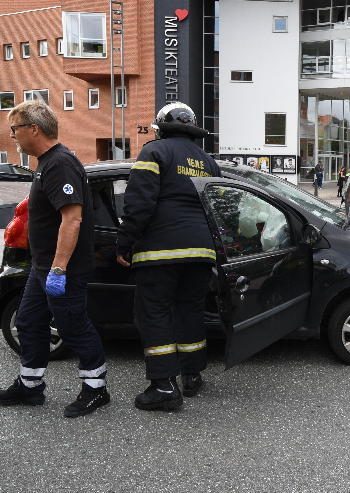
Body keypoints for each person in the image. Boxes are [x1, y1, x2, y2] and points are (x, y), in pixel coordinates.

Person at [0, 101, 110, 417]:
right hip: (43, 265)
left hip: (62, 267)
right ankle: (30, 387)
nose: (13, 136)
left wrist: (59, 268)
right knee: (28, 321)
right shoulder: (47, 163)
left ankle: (96, 388)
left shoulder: (59, 164)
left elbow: (72, 219)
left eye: (15, 129)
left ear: (33, 129)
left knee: (72, 324)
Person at [116, 102, 221, 411]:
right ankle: (191, 376)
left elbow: (139, 204)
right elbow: (219, 208)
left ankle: (163, 386)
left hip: (160, 251)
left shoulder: (154, 152)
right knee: (190, 311)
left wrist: (124, 243)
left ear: (161, 128)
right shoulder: (208, 163)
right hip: (201, 251)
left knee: (155, 313)